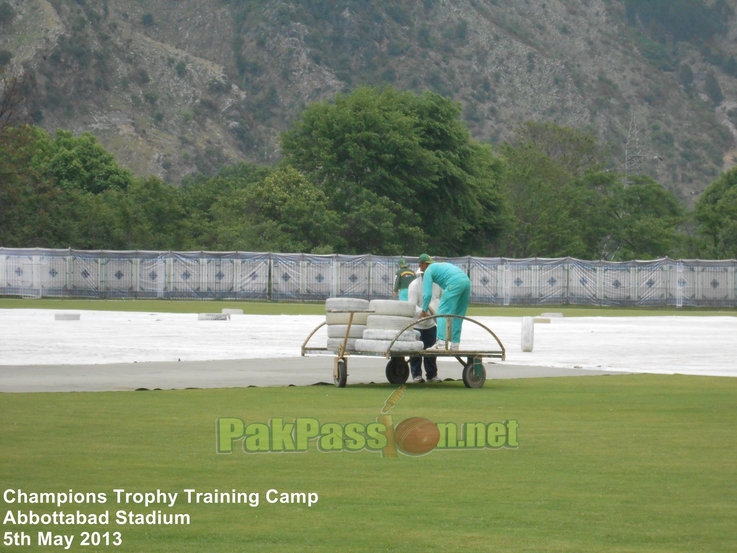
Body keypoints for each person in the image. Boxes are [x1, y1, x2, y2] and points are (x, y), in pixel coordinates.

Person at [417, 254, 471, 351]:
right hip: (466, 282)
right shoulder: (439, 266)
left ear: (424, 263)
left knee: (442, 312)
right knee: (458, 314)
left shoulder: (428, 270)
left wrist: (424, 310)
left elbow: (427, 294)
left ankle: (441, 343)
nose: (420, 268)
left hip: (454, 283)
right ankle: (455, 344)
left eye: (420, 265)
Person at [407, 269, 443, 383]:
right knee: (416, 352)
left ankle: (431, 375)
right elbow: (412, 304)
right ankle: (416, 375)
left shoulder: (437, 285)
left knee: (431, 352)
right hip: (417, 324)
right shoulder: (414, 285)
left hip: (431, 324)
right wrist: (422, 312)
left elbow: (440, 299)